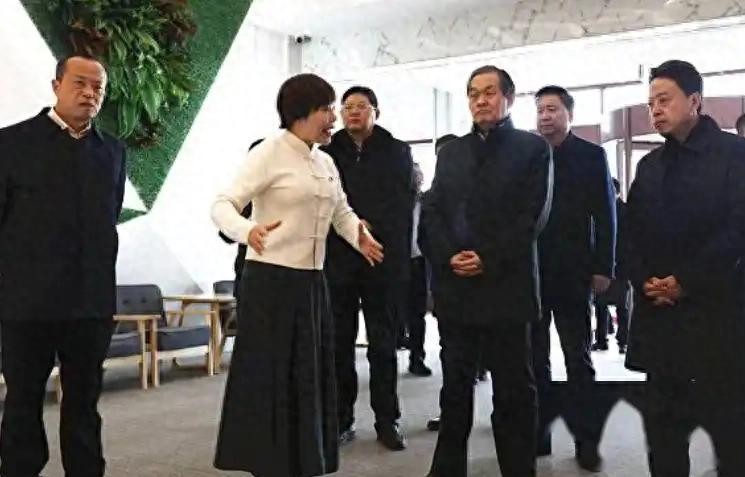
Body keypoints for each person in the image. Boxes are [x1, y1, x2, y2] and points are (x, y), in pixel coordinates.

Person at [212, 73, 384, 477]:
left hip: (311, 283)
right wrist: (247, 231)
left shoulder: (325, 161)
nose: (334, 118)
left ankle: (302, 461)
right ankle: (267, 463)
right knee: (272, 378)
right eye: (326, 109)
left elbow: (341, 211)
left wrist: (358, 235)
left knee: (308, 376)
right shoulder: (269, 152)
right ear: (299, 113)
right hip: (270, 282)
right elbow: (223, 204)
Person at [422, 65, 553, 477]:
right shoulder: (451, 153)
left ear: (508, 99)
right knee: (454, 388)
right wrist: (448, 255)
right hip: (456, 288)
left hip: (506, 286)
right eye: (473, 93)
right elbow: (433, 211)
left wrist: (488, 257)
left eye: (489, 92)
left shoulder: (532, 149)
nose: (480, 100)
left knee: (513, 390)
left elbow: (533, 216)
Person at [0, 54, 125, 477]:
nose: (89, 93)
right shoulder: (11, 144)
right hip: (26, 304)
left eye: (98, 87)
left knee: (84, 404)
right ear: (56, 86)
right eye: (79, 83)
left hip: (90, 304)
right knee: (23, 401)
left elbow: (107, 223)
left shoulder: (112, 152)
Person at [625, 59, 745, 477]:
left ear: (694, 101)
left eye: (664, 100)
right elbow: (632, 232)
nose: (655, 110)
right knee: (664, 431)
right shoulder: (650, 165)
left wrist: (686, 281)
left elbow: (737, 229)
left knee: (731, 431)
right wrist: (646, 280)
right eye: (650, 103)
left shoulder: (735, 155)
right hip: (661, 318)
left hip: (719, 313)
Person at [322, 86, 413, 450]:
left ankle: (387, 420)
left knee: (383, 345)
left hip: (381, 259)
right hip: (338, 260)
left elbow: (402, 201)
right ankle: (341, 419)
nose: (353, 112)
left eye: (361, 106)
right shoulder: (327, 153)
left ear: (376, 111)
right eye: (347, 107)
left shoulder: (397, 151)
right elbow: (324, 202)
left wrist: (365, 226)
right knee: (338, 344)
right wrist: (348, 229)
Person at [532, 85, 616, 471]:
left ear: (569, 114)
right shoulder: (530, 154)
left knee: (577, 357)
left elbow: (606, 215)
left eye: (552, 109)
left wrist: (604, 267)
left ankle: (587, 441)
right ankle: (539, 435)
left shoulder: (591, 156)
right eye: (540, 110)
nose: (545, 116)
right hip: (532, 273)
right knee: (535, 359)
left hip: (574, 271)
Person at [592, 178, 631, 354]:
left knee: (621, 306)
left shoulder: (625, 211)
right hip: (607, 265)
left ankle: (622, 340)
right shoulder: (602, 209)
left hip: (621, 266)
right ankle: (602, 339)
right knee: (601, 304)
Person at [403, 162, 433, 377]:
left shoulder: (428, 202)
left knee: (417, 313)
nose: (416, 178)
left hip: (419, 262)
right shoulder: (396, 202)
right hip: (397, 262)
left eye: (418, 175)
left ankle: (417, 358)